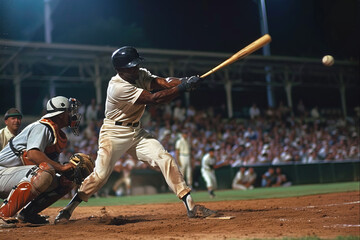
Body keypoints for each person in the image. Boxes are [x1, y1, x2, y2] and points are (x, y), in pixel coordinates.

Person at [55, 46, 215, 223]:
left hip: (136, 131)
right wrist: (183, 88)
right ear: (120, 70)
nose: (135, 69)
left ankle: (191, 206)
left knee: (165, 158)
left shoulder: (138, 73)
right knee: (100, 176)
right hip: (113, 133)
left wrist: (185, 80)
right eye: (131, 67)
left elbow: (162, 82)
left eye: (136, 65)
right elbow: (155, 99)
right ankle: (68, 208)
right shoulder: (118, 87)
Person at [0, 96, 82, 225]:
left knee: (65, 179)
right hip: (2, 173)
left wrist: (67, 170)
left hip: (15, 176)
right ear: (61, 115)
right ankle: (2, 214)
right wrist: (61, 167)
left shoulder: (54, 131)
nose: (72, 115)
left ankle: (28, 214)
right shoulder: (42, 127)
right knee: (45, 170)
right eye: (69, 111)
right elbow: (33, 154)